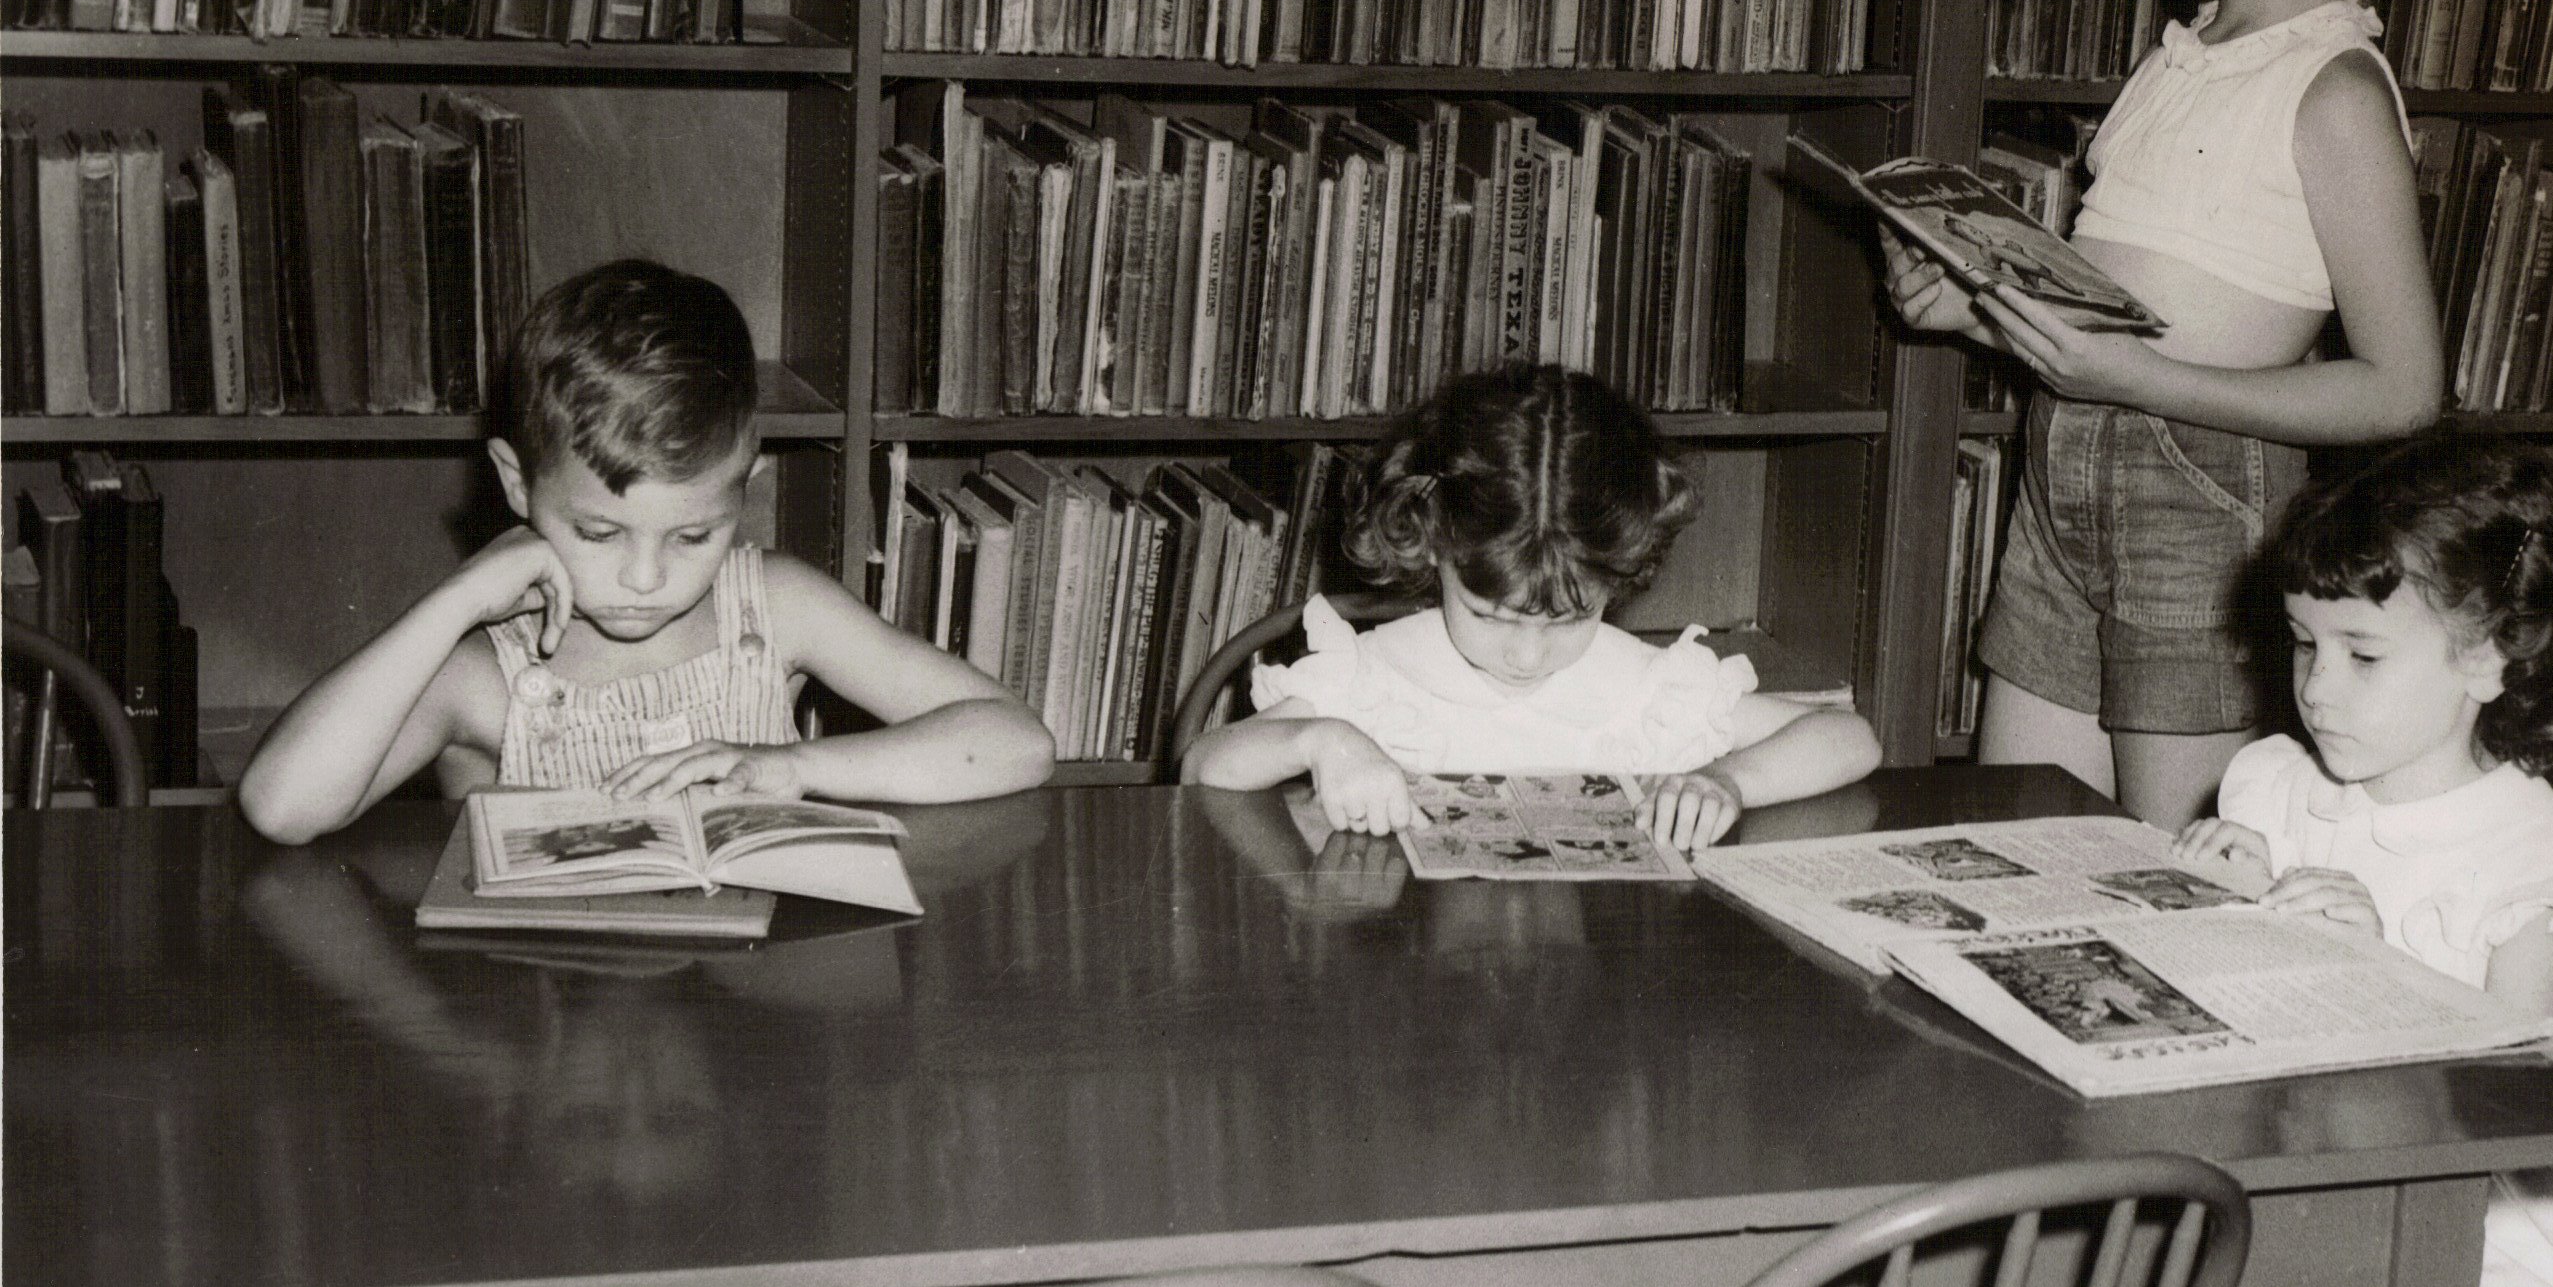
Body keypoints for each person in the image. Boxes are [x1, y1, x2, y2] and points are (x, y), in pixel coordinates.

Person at [1883, 0, 2442, 827]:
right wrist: (1972, 309)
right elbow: (2131, 295)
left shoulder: (2331, 87)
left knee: (2172, 879)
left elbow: (2402, 391)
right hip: (2064, 474)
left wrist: (2139, 380)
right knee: (2019, 842)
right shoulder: (2184, 48)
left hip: (2200, 498)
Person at [238, 259, 1054, 843]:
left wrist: (797, 766)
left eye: (695, 535)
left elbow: (1017, 741)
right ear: (517, 488)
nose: (645, 577)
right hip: (550, 1033)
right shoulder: (482, 671)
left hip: (731, 1034)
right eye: (597, 533)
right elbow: (283, 808)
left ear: (747, 487)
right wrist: (456, 598)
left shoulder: (776, 608)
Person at [2177, 430, 2553, 1287]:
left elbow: (2512, 1113)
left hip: (2477, 1239)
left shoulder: (2531, 866)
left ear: (2487, 654)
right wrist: (2202, 911)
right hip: (2303, 1188)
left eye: (2363, 654)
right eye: (2303, 644)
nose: (2316, 688)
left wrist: (2381, 976)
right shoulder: (2276, 785)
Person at [1181, 362, 1881, 850]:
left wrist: (1726, 781)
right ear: (1430, 545)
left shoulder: (1645, 690)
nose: (1524, 657)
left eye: (1568, 620)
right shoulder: (1371, 680)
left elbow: (1852, 739)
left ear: (1621, 574)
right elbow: (1203, 766)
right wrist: (1320, 739)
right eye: (1490, 616)